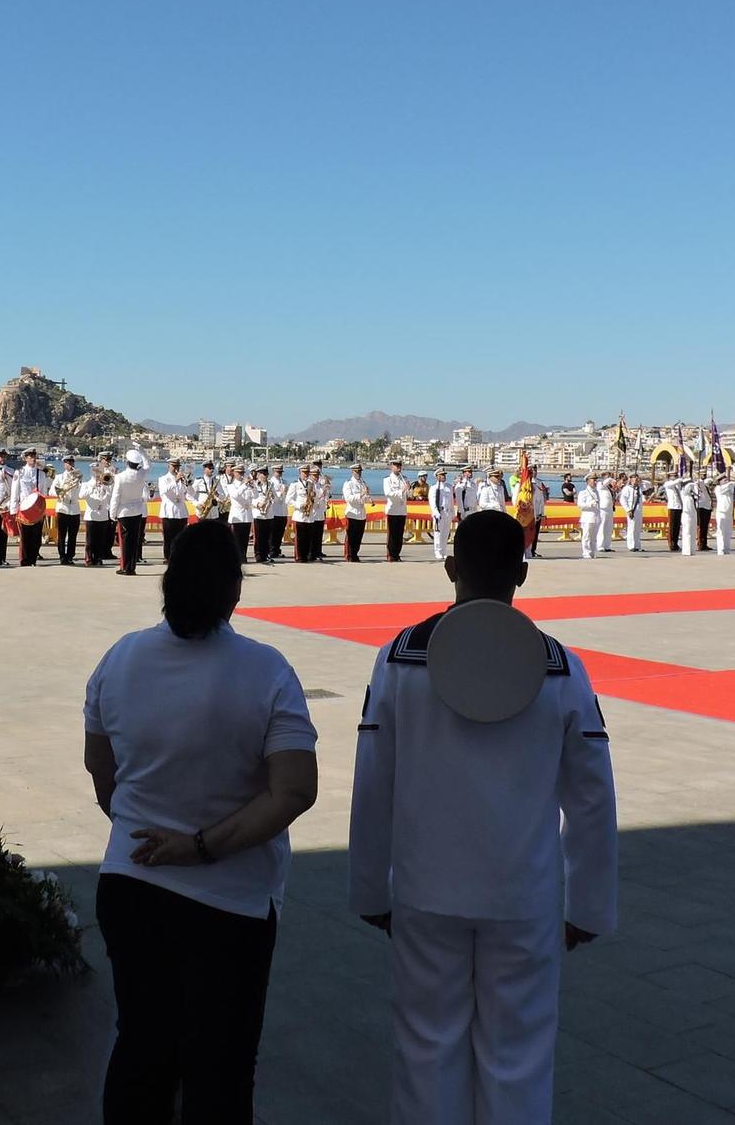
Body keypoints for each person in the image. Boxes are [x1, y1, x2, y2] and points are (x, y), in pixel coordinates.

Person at [348, 511, 617, 1125]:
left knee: (425, 1049)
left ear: (450, 568)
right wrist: (589, 905)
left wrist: (369, 886)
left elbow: (374, 778)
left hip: (423, 890)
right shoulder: (561, 667)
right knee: (518, 1057)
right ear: (522, 573)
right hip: (524, 896)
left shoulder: (398, 660)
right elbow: (592, 795)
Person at [82, 520, 319, 1122]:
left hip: (130, 885)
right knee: (221, 1067)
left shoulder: (120, 658)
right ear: (234, 590)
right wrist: (201, 847)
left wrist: (136, 823)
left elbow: (100, 766)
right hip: (229, 906)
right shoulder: (266, 671)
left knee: (141, 1047)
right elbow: (293, 790)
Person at [112, 449, 151, 575]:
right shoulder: (141, 475)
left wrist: (112, 513)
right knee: (134, 540)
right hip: (137, 511)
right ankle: (132, 567)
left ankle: (125, 567)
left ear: (127, 462)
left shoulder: (120, 477)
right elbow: (147, 465)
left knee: (124, 542)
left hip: (124, 511)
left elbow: (116, 496)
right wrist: (142, 452)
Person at [13, 447, 49, 566]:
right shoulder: (20, 472)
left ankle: (33, 559)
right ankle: (24, 560)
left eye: (34, 456)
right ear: (26, 458)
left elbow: (43, 492)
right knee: (24, 536)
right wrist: (14, 509)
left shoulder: (41, 473)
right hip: (24, 508)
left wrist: (42, 508)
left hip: (37, 509)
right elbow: (15, 491)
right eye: (30, 457)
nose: (32, 459)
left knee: (36, 535)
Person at [83, 457, 116, 567]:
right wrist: (93, 486)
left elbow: (110, 496)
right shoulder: (87, 484)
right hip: (91, 515)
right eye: (95, 471)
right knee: (90, 540)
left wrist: (105, 486)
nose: (97, 474)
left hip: (102, 515)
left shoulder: (105, 484)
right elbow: (81, 495)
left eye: (99, 471)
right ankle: (88, 558)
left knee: (100, 539)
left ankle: (98, 558)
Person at [52, 455, 84, 564]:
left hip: (74, 507)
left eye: (71, 463)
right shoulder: (59, 477)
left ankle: (70, 556)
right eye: (67, 463)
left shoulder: (78, 477)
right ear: (64, 464)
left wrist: (79, 480)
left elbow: (81, 493)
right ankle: (62, 556)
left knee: (72, 535)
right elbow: (51, 491)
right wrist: (61, 491)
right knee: (61, 534)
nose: (70, 465)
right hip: (63, 507)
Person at [158, 459, 192, 559]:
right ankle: (168, 556)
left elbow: (189, 494)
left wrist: (188, 484)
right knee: (168, 537)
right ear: (169, 466)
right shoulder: (163, 479)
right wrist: (175, 480)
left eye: (177, 466)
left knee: (181, 537)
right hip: (168, 511)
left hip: (181, 512)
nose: (176, 468)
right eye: (174, 466)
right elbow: (163, 491)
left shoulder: (182, 480)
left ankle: (180, 555)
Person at [428, 467, 458, 563]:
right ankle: (438, 551)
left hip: (447, 512)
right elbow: (432, 501)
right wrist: (435, 512)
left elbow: (451, 501)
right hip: (439, 512)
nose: (443, 477)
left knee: (445, 533)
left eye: (444, 475)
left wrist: (453, 512)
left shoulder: (448, 487)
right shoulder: (433, 488)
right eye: (441, 475)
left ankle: (443, 551)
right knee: (438, 533)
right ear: (437, 476)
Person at [341, 464, 370, 561]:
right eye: (356, 471)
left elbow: (364, 498)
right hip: (352, 512)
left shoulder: (362, 483)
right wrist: (361, 495)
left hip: (361, 513)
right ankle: (349, 555)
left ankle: (355, 554)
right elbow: (348, 498)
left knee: (358, 536)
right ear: (352, 472)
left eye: (360, 471)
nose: (358, 473)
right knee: (351, 536)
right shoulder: (348, 483)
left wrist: (366, 496)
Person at [383, 461, 409, 562]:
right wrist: (402, 491)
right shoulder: (387, 480)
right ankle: (390, 554)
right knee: (392, 535)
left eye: (399, 466)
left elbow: (408, 495)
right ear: (391, 467)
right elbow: (389, 493)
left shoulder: (404, 479)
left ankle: (397, 554)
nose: (398, 467)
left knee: (399, 534)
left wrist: (408, 490)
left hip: (402, 510)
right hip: (392, 509)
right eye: (396, 466)